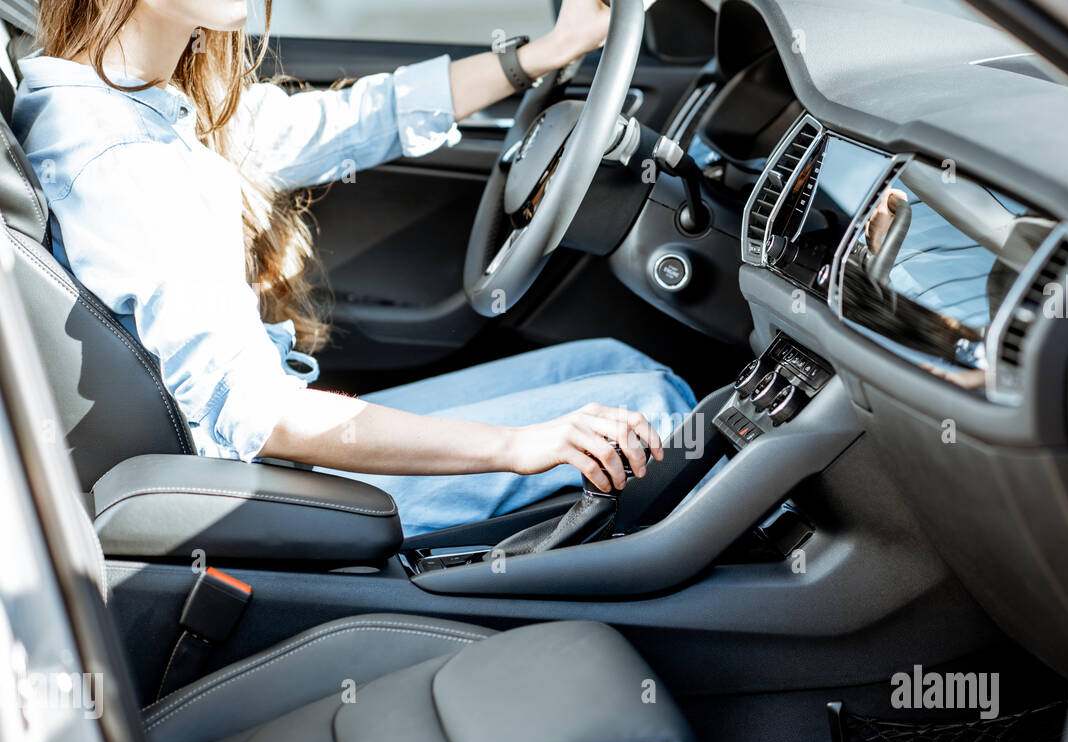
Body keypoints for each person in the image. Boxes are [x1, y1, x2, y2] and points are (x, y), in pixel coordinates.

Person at [13, 0, 696, 535]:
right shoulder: (121, 159)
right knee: (652, 409)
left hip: (270, 460)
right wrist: (517, 447)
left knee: (608, 368)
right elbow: (256, 413)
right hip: (254, 493)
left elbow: (350, 119)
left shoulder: (139, 102)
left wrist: (541, 55)